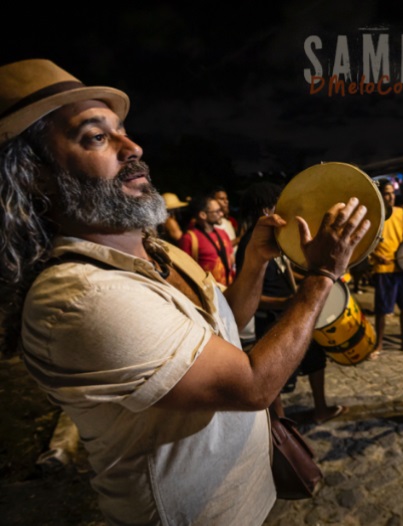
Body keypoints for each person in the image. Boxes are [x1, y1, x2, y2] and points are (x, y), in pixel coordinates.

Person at [0, 58, 372, 526]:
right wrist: (322, 276)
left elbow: (223, 331)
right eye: (96, 137)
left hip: (246, 501)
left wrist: (254, 262)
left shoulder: (158, 251)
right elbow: (252, 384)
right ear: (33, 173)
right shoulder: (81, 296)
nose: (132, 147)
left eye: (122, 131)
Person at [236, 182, 347, 424]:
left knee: (315, 359)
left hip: (288, 311)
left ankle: (320, 409)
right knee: (272, 375)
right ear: (265, 210)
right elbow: (250, 296)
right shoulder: (250, 244)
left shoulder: (276, 237)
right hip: (270, 319)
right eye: (278, 204)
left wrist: (313, 277)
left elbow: (282, 270)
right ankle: (282, 427)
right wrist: (286, 302)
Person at [368, 178, 403, 360]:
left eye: (392, 193)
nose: (390, 197)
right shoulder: (374, 215)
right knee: (382, 311)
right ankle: (379, 343)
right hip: (384, 268)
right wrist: (375, 256)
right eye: (386, 194)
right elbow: (366, 242)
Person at [178, 193, 235, 287]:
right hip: (207, 292)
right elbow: (185, 272)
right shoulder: (189, 239)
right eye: (217, 211)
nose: (221, 214)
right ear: (203, 215)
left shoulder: (223, 233)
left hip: (228, 290)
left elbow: (231, 261)